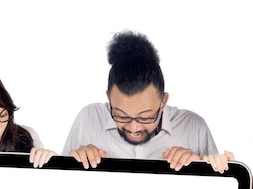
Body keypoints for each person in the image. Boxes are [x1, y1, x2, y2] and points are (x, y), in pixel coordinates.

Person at [62, 30, 218, 170]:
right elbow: (59, 187)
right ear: (109, 99)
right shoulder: (87, 119)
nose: (134, 128)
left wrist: (200, 169)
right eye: (121, 116)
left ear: (163, 102)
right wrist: (74, 166)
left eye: (145, 117)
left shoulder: (195, 128)